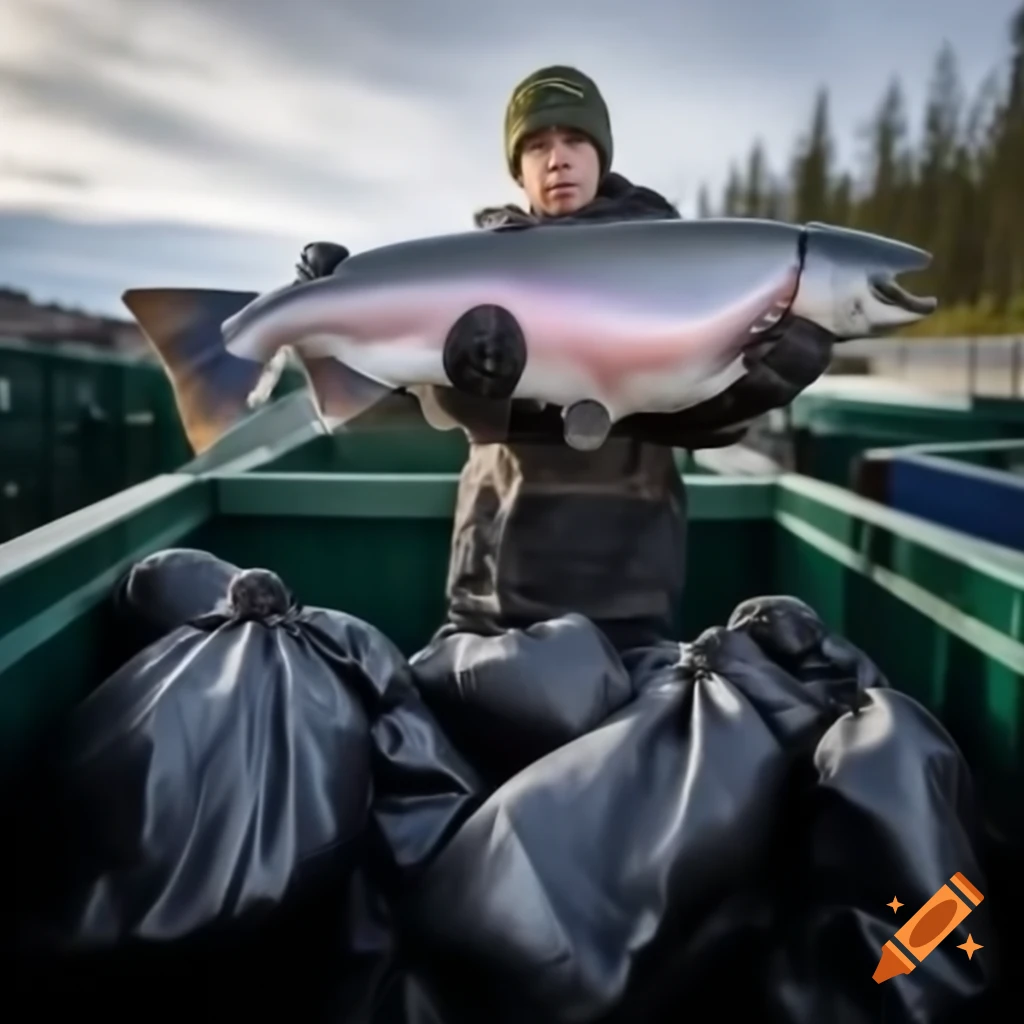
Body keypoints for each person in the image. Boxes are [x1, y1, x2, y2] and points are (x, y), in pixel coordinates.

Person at [295, 65, 836, 653]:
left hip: (629, 593)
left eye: (575, 140)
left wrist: (773, 371)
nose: (557, 159)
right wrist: (332, 320)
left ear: (600, 154)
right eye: (536, 144)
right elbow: (410, 398)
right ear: (519, 168)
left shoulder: (675, 266)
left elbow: (707, 417)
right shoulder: (470, 271)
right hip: (491, 592)